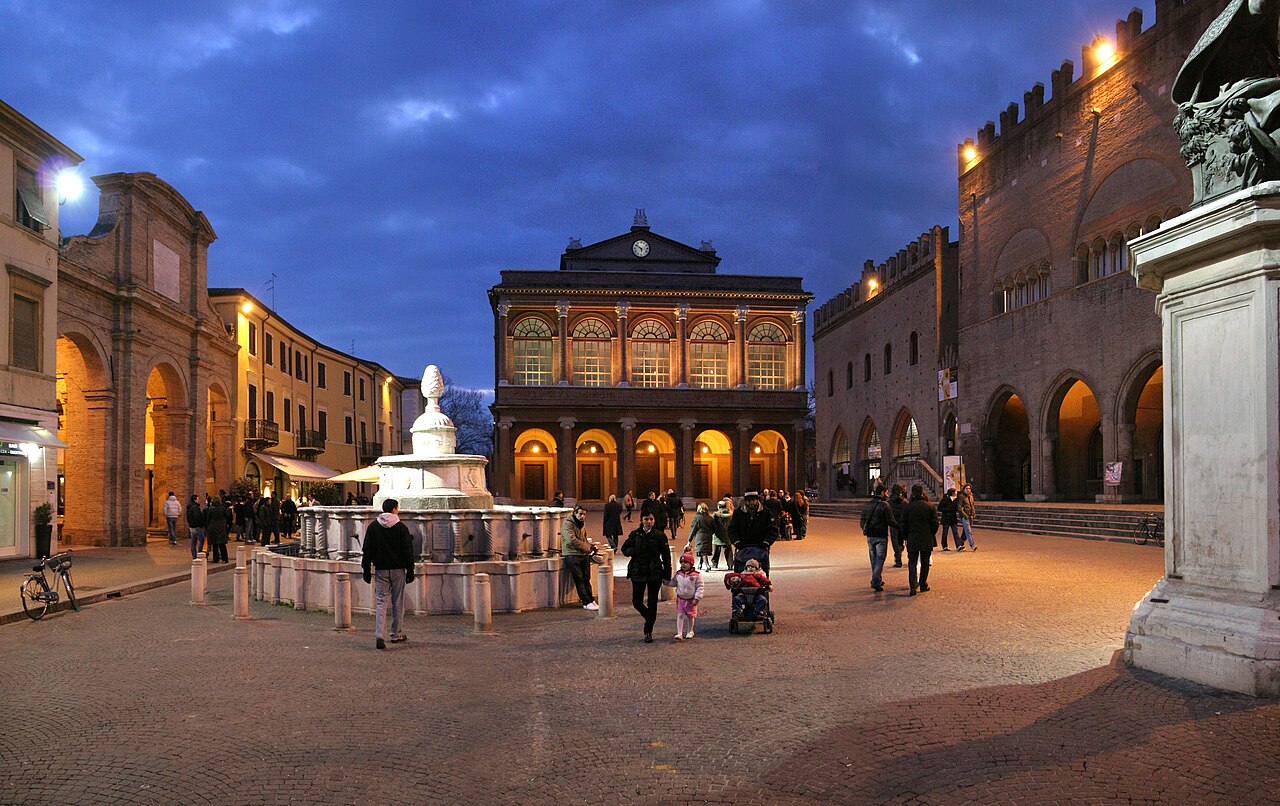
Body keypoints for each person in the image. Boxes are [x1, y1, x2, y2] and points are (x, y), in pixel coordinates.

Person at [361, 498, 415, 649]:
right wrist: (410, 569)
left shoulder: (373, 527)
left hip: (381, 569)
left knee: (381, 602)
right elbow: (407, 550)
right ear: (394, 509)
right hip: (398, 569)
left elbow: (367, 550)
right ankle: (396, 634)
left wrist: (366, 569)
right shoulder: (401, 527)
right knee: (398, 602)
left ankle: (380, 635)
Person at [620, 511, 671, 643]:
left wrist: (667, 575)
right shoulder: (635, 534)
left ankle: (648, 631)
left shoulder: (660, 536)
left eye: (651, 519)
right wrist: (634, 550)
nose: (649, 522)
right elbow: (624, 549)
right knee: (637, 602)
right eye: (646, 519)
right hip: (638, 571)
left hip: (654, 571)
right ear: (642, 520)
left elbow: (666, 556)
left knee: (652, 602)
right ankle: (649, 617)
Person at [727, 490, 779, 573]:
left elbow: (773, 529)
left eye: (753, 500)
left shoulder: (766, 512)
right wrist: (736, 541)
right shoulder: (738, 513)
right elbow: (732, 529)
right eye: (749, 500)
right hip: (742, 547)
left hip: (761, 547)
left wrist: (767, 542)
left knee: (761, 572)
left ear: (757, 500)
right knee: (741, 572)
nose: (751, 502)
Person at [559, 504, 599, 611]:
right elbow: (571, 540)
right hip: (572, 554)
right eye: (580, 514)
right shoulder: (567, 524)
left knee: (586, 578)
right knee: (579, 579)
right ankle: (586, 601)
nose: (582, 516)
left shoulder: (582, 524)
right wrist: (586, 547)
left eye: (584, 514)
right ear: (575, 513)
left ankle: (591, 599)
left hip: (582, 553)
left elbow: (584, 538)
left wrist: (590, 547)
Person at [901, 484, 939, 595]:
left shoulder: (908, 507)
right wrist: (931, 533)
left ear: (912, 493)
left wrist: (905, 536)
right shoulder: (929, 506)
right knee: (925, 562)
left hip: (912, 537)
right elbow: (935, 523)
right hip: (926, 538)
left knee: (912, 562)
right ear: (922, 492)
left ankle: (913, 586)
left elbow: (903, 524)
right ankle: (923, 584)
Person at [860, 485, 895, 592]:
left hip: (870, 535)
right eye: (887, 492)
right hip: (881, 535)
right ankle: (875, 580)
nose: (887, 495)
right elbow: (890, 521)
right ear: (882, 492)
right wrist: (900, 527)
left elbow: (862, 521)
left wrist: (866, 529)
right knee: (880, 558)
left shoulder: (867, 505)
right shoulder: (885, 505)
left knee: (873, 558)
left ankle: (877, 579)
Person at [665, 552, 704, 640]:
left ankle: (690, 631)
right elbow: (674, 583)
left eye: (685, 562)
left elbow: (700, 587)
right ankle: (679, 633)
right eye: (681, 562)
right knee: (680, 615)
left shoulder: (697, 575)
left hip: (691, 599)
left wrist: (697, 597)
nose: (683, 564)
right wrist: (668, 583)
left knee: (690, 616)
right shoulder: (679, 574)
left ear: (691, 564)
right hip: (681, 599)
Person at [686, 503, 715, 571]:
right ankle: (700, 564)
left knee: (702, 551)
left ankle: (707, 565)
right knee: (703, 550)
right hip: (708, 536)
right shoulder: (710, 518)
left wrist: (689, 540)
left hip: (700, 536)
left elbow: (693, 529)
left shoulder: (697, 518)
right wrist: (710, 533)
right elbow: (714, 528)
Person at [887, 483, 908, 567]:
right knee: (901, 541)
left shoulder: (889, 502)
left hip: (893, 524)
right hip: (902, 524)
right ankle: (900, 551)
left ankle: (898, 559)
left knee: (895, 542)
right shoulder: (905, 502)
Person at [204, 496, 231, 563]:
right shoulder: (222, 508)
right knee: (222, 544)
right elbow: (227, 516)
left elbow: (208, 519)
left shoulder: (211, 509)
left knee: (215, 544)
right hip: (221, 527)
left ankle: (216, 559)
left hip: (212, 527)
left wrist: (207, 527)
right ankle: (225, 558)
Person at [711, 499, 733, 570]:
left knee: (716, 550)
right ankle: (730, 564)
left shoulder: (715, 515)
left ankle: (714, 564)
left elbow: (712, 524)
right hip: (727, 535)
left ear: (718, 506)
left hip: (718, 535)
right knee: (728, 550)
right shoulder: (730, 515)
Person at [957, 483, 978, 551]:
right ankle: (972, 545)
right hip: (965, 516)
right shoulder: (961, 497)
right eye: (966, 489)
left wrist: (973, 513)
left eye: (969, 488)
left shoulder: (971, 496)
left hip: (970, 515)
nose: (968, 490)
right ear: (964, 489)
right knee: (968, 531)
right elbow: (959, 507)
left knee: (965, 531)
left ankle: (960, 543)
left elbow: (972, 505)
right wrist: (964, 514)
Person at [185, 494, 206, 560]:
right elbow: (197, 517)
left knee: (193, 543)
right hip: (197, 526)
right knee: (202, 540)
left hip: (191, 527)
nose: (199, 500)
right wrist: (201, 524)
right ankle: (199, 554)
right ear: (195, 500)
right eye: (198, 499)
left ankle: (194, 555)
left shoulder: (189, 507)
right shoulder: (195, 507)